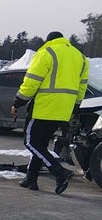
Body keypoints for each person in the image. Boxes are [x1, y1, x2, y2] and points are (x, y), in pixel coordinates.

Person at [11, 31, 89, 194]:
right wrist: (74, 108)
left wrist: (18, 102)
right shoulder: (80, 57)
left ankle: (60, 173)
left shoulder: (46, 52)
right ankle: (31, 179)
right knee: (41, 144)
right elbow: (82, 87)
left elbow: (32, 81)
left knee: (31, 142)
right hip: (64, 111)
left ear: (49, 41)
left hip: (44, 108)